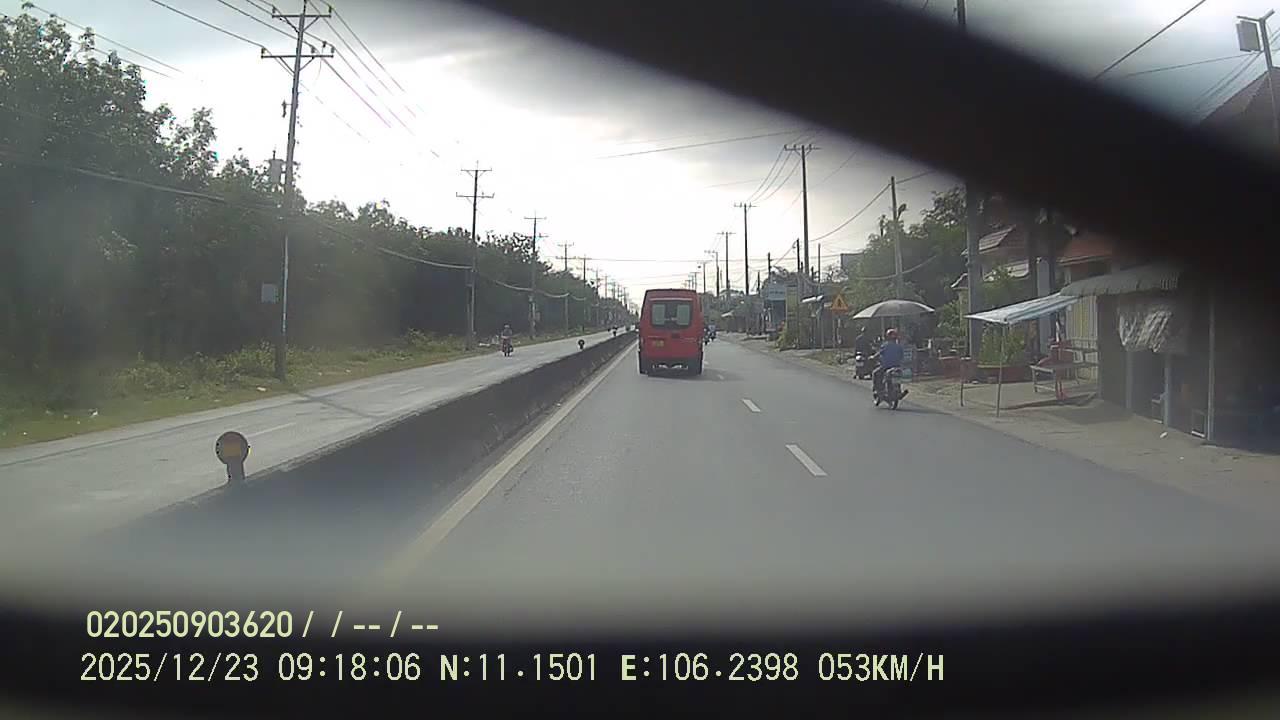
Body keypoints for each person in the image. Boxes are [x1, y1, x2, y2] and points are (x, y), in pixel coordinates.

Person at [872, 328, 908, 399]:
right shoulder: (899, 346)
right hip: (897, 367)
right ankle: (898, 391)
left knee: (875, 373)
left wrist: (872, 357)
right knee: (897, 377)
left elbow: (878, 354)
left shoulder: (885, 345)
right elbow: (902, 357)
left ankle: (877, 390)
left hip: (886, 366)